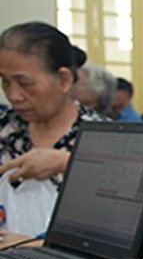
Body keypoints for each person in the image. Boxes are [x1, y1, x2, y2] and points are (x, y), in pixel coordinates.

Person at [0, 21, 106, 185]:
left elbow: (129, 191)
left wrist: (67, 163)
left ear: (64, 80)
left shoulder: (102, 135)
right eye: (5, 82)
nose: (13, 96)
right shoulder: (5, 127)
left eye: (25, 84)